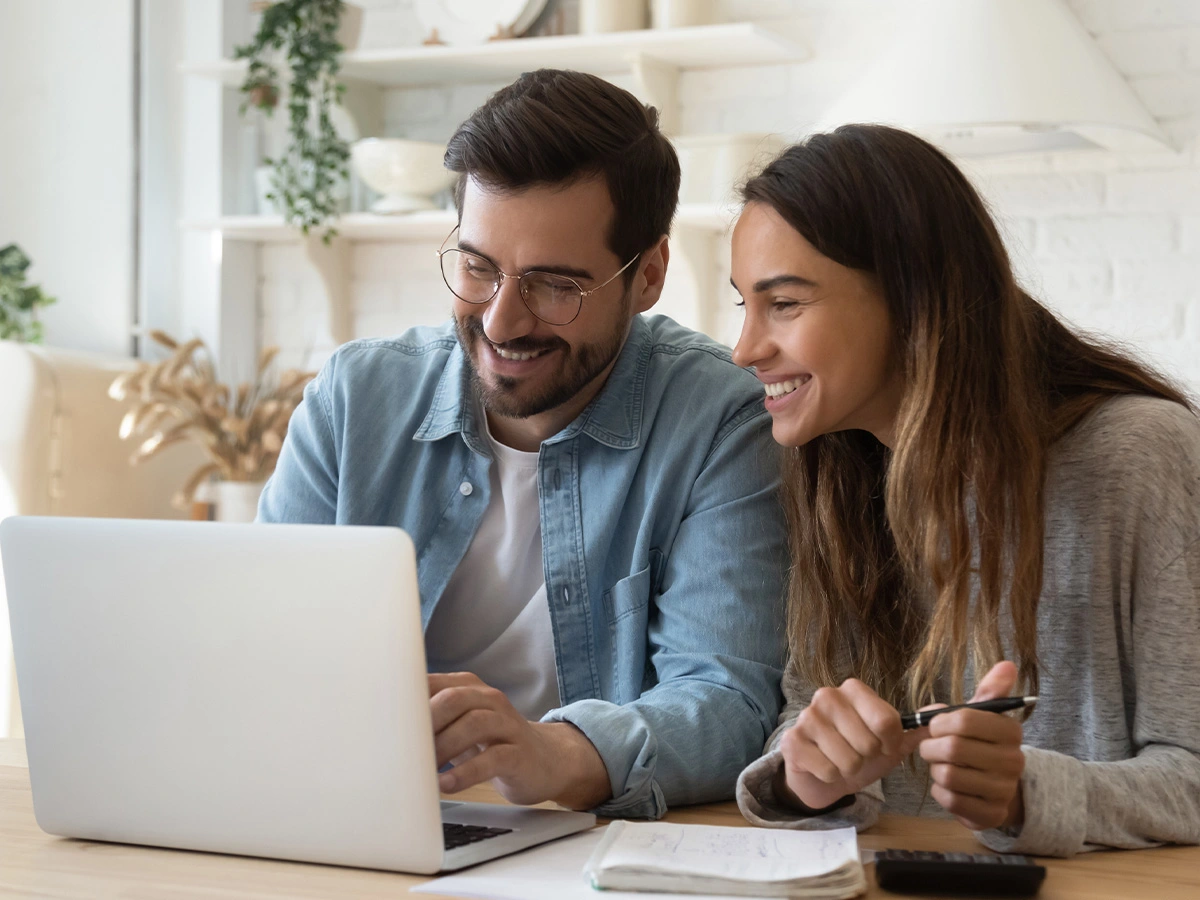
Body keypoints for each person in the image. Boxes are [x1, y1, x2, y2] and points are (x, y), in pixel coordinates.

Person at [258, 69, 787, 819]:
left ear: (649, 276)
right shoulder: (353, 400)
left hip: (584, 845)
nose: (502, 322)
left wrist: (553, 754)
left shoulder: (719, 423)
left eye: (553, 284)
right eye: (477, 267)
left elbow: (728, 703)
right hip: (359, 817)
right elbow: (261, 649)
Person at [729, 124, 1200, 857]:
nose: (746, 348)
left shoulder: (1139, 455)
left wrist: (1026, 795)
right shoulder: (839, 473)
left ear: (913, 299)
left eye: (783, 304)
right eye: (744, 307)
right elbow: (806, 718)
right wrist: (808, 776)